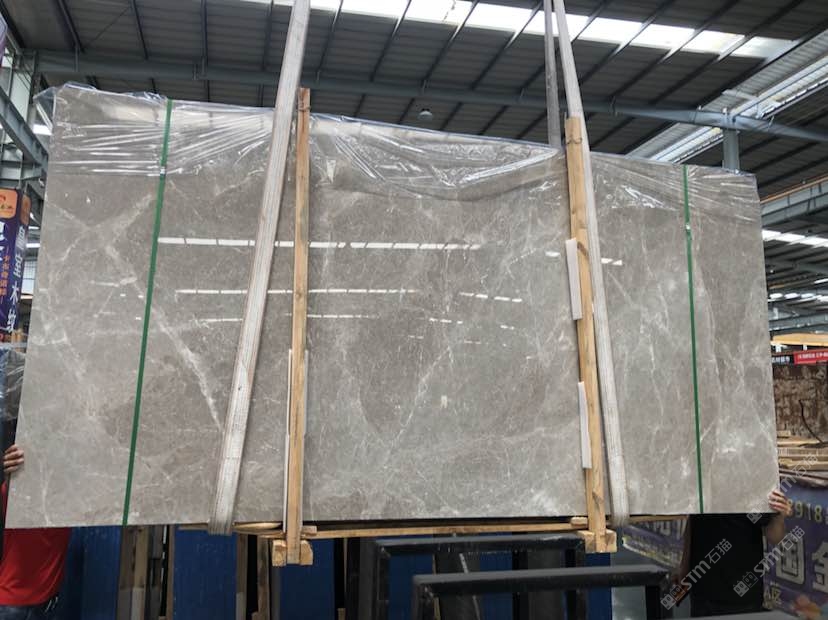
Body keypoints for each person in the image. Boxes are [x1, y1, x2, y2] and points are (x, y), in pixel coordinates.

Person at [676, 488, 793, 616]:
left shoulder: (756, 481)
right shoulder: (704, 480)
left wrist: (779, 515)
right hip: (703, 587)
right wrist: (684, 566)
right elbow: (693, 519)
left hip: (742, 591)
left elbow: (775, 537)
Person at [0, 445, 71, 619]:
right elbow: (9, 489)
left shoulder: (68, 501)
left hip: (45, 605)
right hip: (13, 605)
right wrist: (12, 475)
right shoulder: (18, 495)